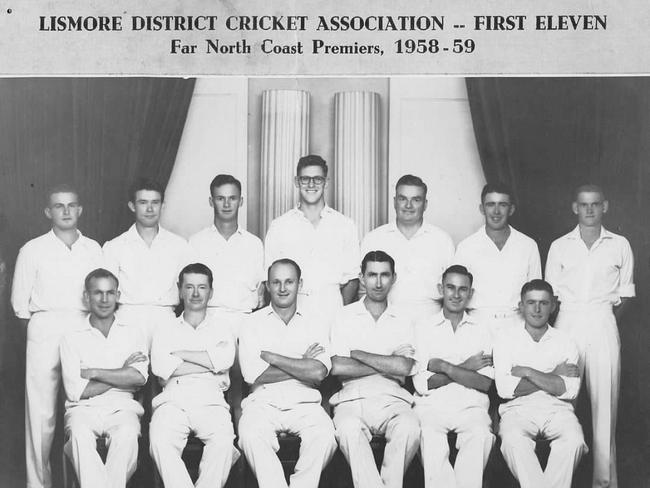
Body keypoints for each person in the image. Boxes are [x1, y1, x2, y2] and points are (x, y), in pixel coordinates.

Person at [11, 184, 103, 488]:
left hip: (82, 325)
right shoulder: (32, 249)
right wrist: (41, 336)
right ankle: (38, 483)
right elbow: (20, 306)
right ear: (48, 212)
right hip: (45, 326)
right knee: (41, 413)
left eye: (71, 205)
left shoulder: (94, 249)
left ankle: (87, 480)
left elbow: (102, 295)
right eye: (59, 206)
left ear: (80, 210)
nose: (66, 211)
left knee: (85, 404)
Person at [545, 184, 634, 488]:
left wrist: (605, 321)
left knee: (604, 407)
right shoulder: (559, 246)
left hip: (602, 322)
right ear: (575, 208)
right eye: (584, 205)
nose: (590, 210)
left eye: (595, 204)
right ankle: (557, 481)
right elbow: (549, 296)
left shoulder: (619, 244)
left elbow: (627, 295)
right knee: (560, 403)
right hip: (567, 322)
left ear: (605, 207)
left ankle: (604, 482)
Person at [237, 258, 337, 488]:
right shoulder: (252, 323)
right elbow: (251, 374)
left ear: (299, 284)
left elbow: (320, 371)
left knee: (325, 437)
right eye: (276, 282)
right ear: (268, 285)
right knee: (251, 435)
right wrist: (302, 362)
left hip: (305, 403)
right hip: (263, 402)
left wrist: (274, 359)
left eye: (289, 282)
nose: (282, 289)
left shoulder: (316, 322)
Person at [330, 251, 420, 488]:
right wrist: (387, 362)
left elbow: (404, 367)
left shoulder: (404, 318)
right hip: (352, 398)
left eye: (384, 275)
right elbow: (338, 367)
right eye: (372, 275)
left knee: (410, 427)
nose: (378, 283)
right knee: (348, 430)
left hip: (393, 398)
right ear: (361, 277)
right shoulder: (344, 316)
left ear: (394, 278)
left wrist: (358, 355)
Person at [148, 263, 240, 488]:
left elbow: (225, 360)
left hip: (211, 399)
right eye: (189, 287)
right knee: (160, 441)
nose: (196, 294)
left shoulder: (222, 327)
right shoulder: (165, 327)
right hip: (173, 400)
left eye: (202, 287)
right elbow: (160, 367)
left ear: (211, 291)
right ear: (180, 290)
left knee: (223, 442)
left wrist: (180, 356)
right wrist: (210, 362)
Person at [494, 280, 587, 488]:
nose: (537, 309)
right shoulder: (505, 339)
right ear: (521, 306)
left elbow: (570, 390)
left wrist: (526, 372)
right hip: (518, 409)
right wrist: (553, 375)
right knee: (512, 440)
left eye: (543, 303)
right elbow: (505, 388)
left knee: (574, 441)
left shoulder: (566, 341)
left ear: (553, 306)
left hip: (558, 409)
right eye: (531, 302)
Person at [60, 268, 148, 488]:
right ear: (86, 297)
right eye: (98, 293)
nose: (104, 299)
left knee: (127, 435)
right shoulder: (71, 337)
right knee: (79, 436)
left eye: (110, 292)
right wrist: (121, 372)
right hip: (83, 409)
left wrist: (96, 372)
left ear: (118, 296)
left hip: (123, 408)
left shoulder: (134, 332)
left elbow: (138, 378)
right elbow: (77, 391)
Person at [413, 265, 494, 488]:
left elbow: (485, 383)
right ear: (441, 289)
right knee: (428, 435)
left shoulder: (482, 329)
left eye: (462, 289)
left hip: (471, 405)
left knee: (480, 435)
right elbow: (422, 383)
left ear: (471, 293)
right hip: (431, 407)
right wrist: (467, 368)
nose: (456, 295)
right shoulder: (424, 327)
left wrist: (446, 367)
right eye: (450, 287)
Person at [264, 155, 360, 322]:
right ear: (296, 182)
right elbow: (270, 277)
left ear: (326, 182)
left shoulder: (345, 225)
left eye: (317, 179)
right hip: (292, 310)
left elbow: (352, 278)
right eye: (305, 179)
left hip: (332, 309)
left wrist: (339, 313)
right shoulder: (279, 226)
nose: (311, 185)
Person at [103, 177, 192, 348]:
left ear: (162, 206)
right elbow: (106, 294)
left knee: (168, 372)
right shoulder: (114, 247)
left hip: (166, 320)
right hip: (127, 320)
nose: (150, 209)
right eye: (143, 202)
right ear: (132, 206)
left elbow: (189, 289)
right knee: (130, 372)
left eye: (155, 202)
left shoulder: (180, 246)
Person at [360, 174, 454, 322]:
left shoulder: (442, 240)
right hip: (385, 320)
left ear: (425, 204)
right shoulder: (374, 238)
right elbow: (362, 290)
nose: (408, 206)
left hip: (430, 320)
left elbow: (453, 290)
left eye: (416, 200)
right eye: (402, 199)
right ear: (394, 202)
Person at [454, 182, 541, 337]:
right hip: (477, 325)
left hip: (518, 325)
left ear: (511, 209)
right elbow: (456, 294)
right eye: (490, 204)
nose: (496, 211)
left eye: (502, 205)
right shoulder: (466, 247)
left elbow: (536, 295)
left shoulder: (528, 245)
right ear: (482, 208)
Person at [189, 174, 264, 333]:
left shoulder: (254, 244)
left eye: (232, 198)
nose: (227, 204)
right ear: (211, 202)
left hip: (246, 323)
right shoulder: (196, 242)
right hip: (208, 321)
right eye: (220, 198)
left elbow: (261, 292)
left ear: (241, 201)